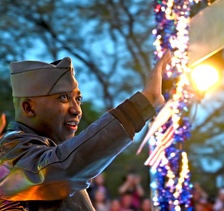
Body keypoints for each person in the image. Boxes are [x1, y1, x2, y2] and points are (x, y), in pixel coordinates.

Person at [0, 52, 171, 210]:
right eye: (63, 97)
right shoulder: (10, 155)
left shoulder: (40, 152)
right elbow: (60, 168)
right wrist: (143, 103)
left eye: (78, 99)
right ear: (28, 108)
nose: (77, 110)